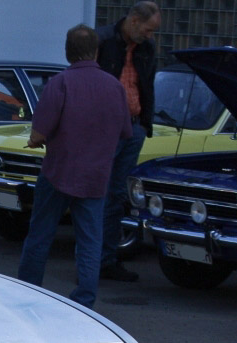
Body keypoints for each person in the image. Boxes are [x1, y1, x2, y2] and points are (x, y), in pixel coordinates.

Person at [16, 24, 131, 310]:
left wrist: (36, 142)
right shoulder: (115, 87)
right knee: (90, 242)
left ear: (68, 52)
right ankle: (84, 300)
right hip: (96, 177)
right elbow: (126, 132)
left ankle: (28, 292)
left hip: (59, 172)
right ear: (96, 51)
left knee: (40, 236)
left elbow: (40, 133)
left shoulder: (60, 83)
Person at [96, 1, 161, 282]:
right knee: (96, 195)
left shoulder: (146, 48)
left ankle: (107, 260)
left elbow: (148, 84)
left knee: (117, 196)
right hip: (104, 130)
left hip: (133, 128)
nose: (150, 35)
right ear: (134, 21)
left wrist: (145, 125)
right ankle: (90, 262)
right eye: (148, 29)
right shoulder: (102, 41)